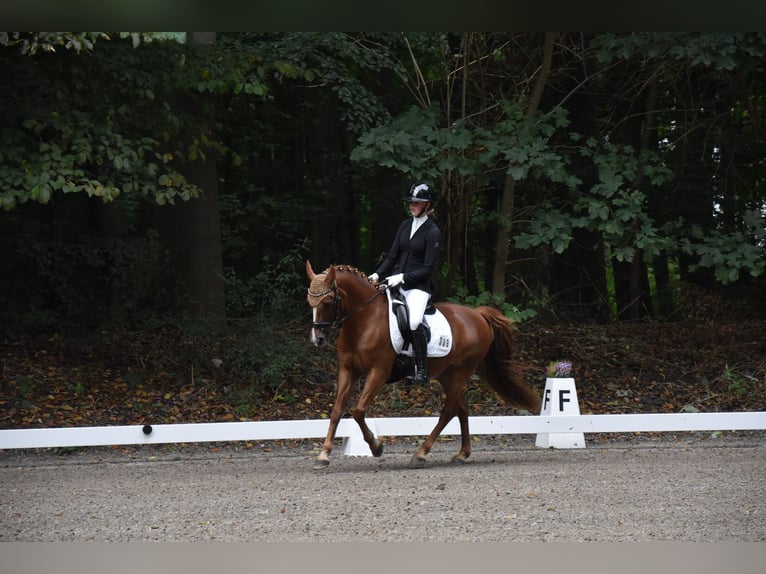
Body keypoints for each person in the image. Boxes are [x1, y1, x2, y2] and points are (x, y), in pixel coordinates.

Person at [369, 183, 441, 385]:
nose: (412, 205)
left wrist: (403, 277)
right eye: (411, 202)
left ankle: (422, 371)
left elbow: (428, 268)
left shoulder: (433, 232)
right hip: (394, 281)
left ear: (428, 205)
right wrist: (376, 274)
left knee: (414, 322)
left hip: (418, 287)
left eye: (417, 202)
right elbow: (392, 257)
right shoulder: (404, 226)